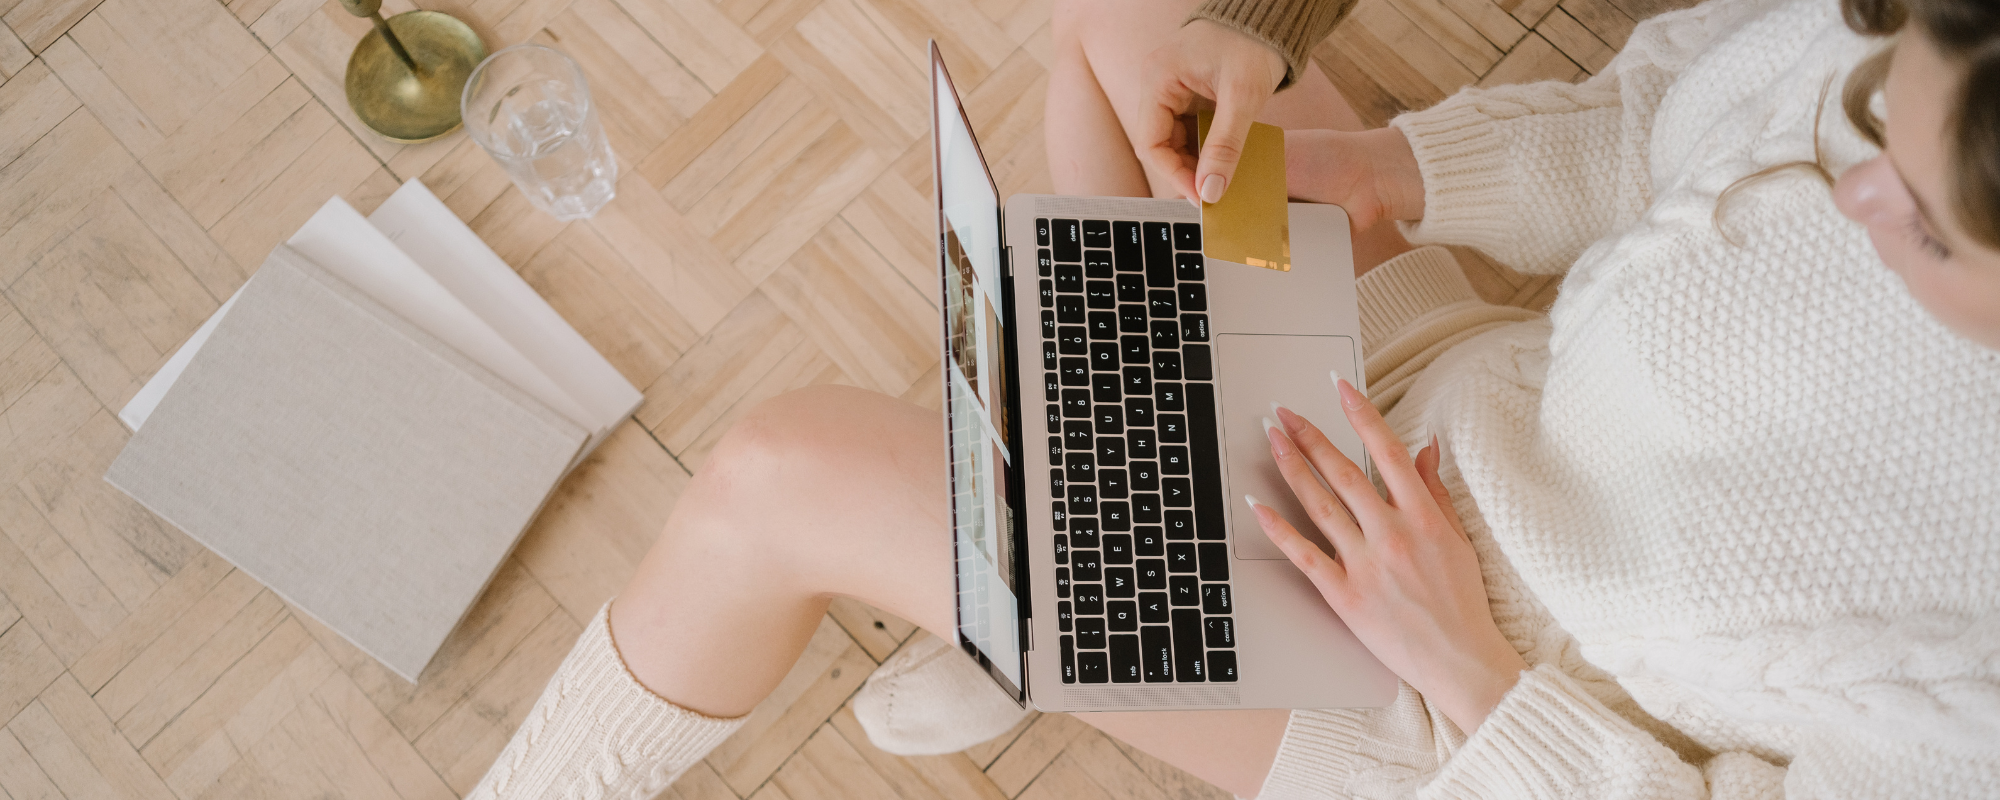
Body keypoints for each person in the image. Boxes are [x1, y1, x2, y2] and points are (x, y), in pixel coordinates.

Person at [466, 0, 2000, 796]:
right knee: (1144, 21)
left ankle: (1050, 601)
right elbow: (1640, 122)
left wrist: (1468, 667)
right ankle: (1056, 597)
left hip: (1437, 699)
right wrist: (1386, 170)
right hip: (1447, 406)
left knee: (774, 478)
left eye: (1922, 225)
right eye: (1870, 114)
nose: (1847, 194)